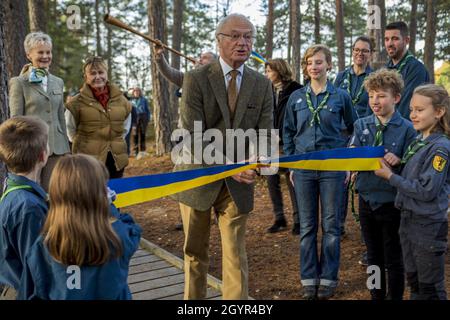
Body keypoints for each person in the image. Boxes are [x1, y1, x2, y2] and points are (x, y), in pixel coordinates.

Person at [171, 13, 273, 300]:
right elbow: (192, 135)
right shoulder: (195, 79)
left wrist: (260, 159)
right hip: (196, 177)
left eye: (248, 36)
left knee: (236, 254)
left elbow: (265, 132)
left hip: (238, 184)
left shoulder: (262, 84)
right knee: (194, 254)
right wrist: (230, 167)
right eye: (235, 36)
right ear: (219, 41)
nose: (243, 42)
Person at [283, 44, 356, 300]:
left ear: (329, 65)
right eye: (309, 62)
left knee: (332, 226)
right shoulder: (296, 98)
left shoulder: (341, 97)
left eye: (319, 62)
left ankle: (328, 279)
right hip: (303, 171)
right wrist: (292, 164)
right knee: (307, 227)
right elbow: (289, 132)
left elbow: (353, 129)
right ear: (306, 67)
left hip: (332, 170)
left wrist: (347, 161)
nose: (314, 67)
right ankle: (308, 279)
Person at [17, 154, 142, 300]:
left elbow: (31, 290)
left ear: (56, 195)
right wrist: (109, 207)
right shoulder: (119, 237)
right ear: (100, 194)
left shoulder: (44, 243)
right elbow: (132, 228)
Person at [375, 84, 450, 300]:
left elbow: (426, 190)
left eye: (420, 110)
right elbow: (414, 176)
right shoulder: (418, 141)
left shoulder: (440, 149)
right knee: (415, 283)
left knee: (430, 289)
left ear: (438, 112)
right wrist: (395, 165)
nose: (413, 115)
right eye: (411, 109)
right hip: (408, 220)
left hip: (427, 225)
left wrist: (390, 176)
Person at [350, 69, 417, 300]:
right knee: (373, 256)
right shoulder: (361, 125)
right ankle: (376, 295)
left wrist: (400, 160)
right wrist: (351, 158)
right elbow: (352, 152)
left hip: (393, 203)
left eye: (381, 96)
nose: (374, 101)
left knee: (394, 257)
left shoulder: (408, 129)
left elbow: (414, 164)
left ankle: (394, 297)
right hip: (367, 199)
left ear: (396, 98)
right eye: (371, 96)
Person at [8, 32, 70, 191]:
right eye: (40, 52)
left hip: (57, 149)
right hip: (32, 150)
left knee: (56, 193)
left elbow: (60, 117)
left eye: (48, 52)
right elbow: (16, 120)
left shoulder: (58, 82)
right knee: (35, 192)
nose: (45, 56)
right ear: (29, 55)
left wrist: (66, 149)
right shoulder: (19, 83)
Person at [0, 116, 50, 298]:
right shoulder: (29, 208)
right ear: (42, 156)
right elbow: (37, 272)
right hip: (25, 292)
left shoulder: (14, 188)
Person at [66, 56, 132, 178]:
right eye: (92, 73)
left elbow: (125, 128)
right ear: (86, 77)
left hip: (115, 160)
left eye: (101, 72)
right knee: (90, 195)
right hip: (87, 161)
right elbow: (69, 129)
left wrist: (112, 141)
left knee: (115, 195)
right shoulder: (75, 103)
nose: (98, 77)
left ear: (106, 74)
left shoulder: (122, 101)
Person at [264, 58, 302, 235]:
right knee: (271, 178)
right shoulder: (267, 91)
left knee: (292, 179)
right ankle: (279, 217)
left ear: (279, 71)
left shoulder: (296, 89)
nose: (266, 74)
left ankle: (298, 220)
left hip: (290, 142)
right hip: (271, 142)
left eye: (269, 71)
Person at [384, 21, 430, 120]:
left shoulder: (416, 69)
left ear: (406, 40)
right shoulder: (383, 70)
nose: (389, 44)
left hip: (405, 130)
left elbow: (406, 109)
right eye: (387, 39)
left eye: (395, 39)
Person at [131, 87, 151, 159]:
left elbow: (148, 110)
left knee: (142, 134)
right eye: (135, 91)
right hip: (134, 118)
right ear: (133, 92)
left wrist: (148, 118)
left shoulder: (144, 99)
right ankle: (136, 152)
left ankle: (142, 151)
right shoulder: (131, 100)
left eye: (138, 91)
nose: (136, 92)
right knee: (135, 135)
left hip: (143, 117)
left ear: (140, 92)